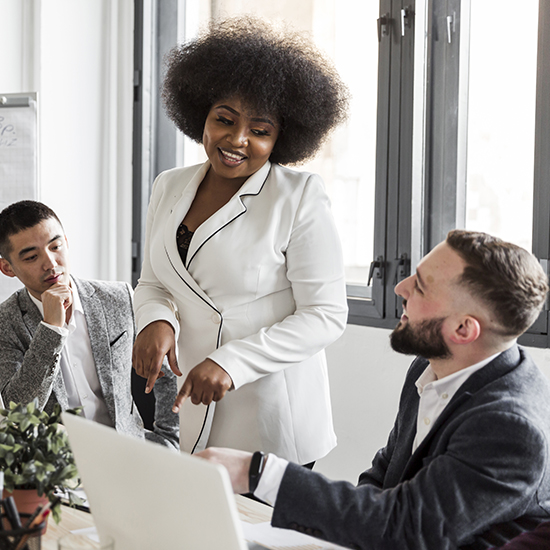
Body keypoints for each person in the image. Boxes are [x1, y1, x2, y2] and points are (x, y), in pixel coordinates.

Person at [199, 230, 550, 550]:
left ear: (463, 329)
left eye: (421, 287)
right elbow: (383, 480)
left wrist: (259, 473)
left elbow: (407, 526)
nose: (400, 288)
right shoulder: (433, 366)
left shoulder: (511, 428)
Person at [131, 16, 349, 462]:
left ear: (281, 137)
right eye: (224, 120)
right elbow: (154, 282)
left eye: (260, 130)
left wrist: (233, 362)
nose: (237, 140)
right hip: (196, 404)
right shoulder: (169, 186)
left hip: (271, 410)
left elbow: (325, 315)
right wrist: (156, 320)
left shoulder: (300, 196)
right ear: (200, 116)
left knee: (263, 533)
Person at [0, 200, 179, 448]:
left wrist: (170, 440)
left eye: (56, 246)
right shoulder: (6, 323)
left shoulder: (119, 297)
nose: (51, 263)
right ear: (7, 268)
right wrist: (51, 329)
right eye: (32, 256)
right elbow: (19, 412)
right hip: (59, 465)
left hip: (129, 450)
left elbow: (168, 373)